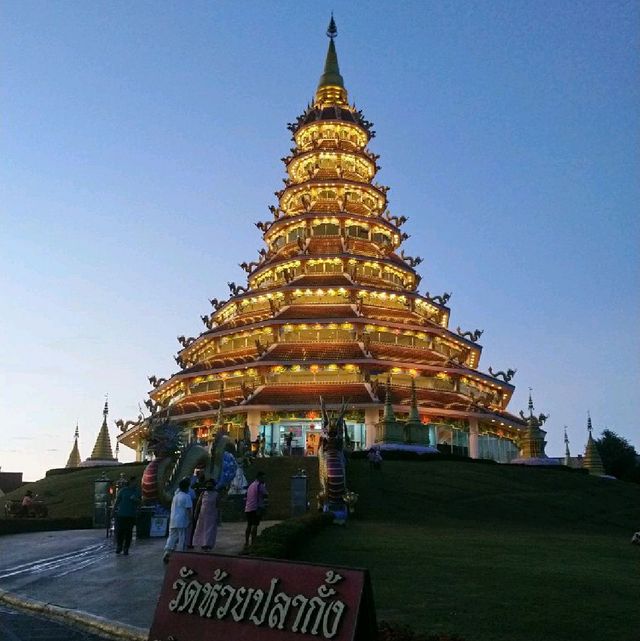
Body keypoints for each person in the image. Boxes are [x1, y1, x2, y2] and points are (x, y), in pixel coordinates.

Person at [163, 478, 193, 564]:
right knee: (182, 537)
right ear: (187, 487)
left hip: (173, 520)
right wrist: (190, 519)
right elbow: (188, 510)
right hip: (182, 520)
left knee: (172, 536)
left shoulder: (175, 496)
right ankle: (180, 554)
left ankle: (167, 551)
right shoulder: (187, 496)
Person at [112, 476, 140, 555]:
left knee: (128, 532)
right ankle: (119, 546)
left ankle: (126, 548)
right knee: (120, 531)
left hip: (131, 515)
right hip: (121, 514)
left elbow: (141, 502)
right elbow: (117, 501)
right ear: (131, 482)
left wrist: (136, 500)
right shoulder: (123, 491)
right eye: (135, 482)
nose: (136, 483)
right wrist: (113, 511)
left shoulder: (136, 491)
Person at [192, 479, 219, 551]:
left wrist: (219, 516)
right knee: (201, 529)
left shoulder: (216, 494)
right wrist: (195, 513)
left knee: (210, 531)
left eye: (211, 484)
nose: (209, 485)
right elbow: (198, 504)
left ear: (213, 485)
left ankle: (208, 545)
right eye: (208, 484)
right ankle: (202, 544)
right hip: (202, 515)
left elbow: (218, 505)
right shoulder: (203, 493)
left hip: (212, 515)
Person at [244, 471, 268, 549]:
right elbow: (265, 495)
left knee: (249, 525)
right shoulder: (260, 485)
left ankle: (247, 542)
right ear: (259, 477)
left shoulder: (251, 485)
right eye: (263, 477)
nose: (264, 478)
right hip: (256, 508)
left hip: (248, 507)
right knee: (255, 525)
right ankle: (253, 542)